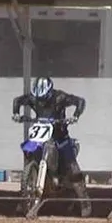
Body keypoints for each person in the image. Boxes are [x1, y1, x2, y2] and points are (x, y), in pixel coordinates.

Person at [11, 75, 89, 212]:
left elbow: (80, 101)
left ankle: (85, 203)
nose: (40, 102)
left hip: (60, 136)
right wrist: (16, 113)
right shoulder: (33, 97)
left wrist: (76, 115)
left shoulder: (60, 97)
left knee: (73, 168)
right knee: (29, 156)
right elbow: (17, 100)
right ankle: (23, 199)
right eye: (38, 99)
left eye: (43, 98)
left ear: (50, 92)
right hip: (41, 136)